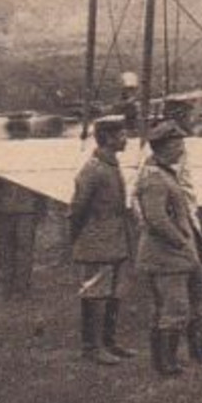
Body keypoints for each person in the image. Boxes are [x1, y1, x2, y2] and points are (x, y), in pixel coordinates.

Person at [136, 121, 202, 375]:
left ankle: (196, 352)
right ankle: (166, 363)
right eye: (178, 144)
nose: (182, 149)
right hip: (167, 255)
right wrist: (181, 240)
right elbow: (156, 219)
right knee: (174, 308)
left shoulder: (164, 172)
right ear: (165, 147)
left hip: (180, 253)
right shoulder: (154, 177)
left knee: (197, 297)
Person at [69, 115, 137, 366]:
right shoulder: (93, 169)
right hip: (97, 241)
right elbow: (77, 209)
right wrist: (80, 237)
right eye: (121, 135)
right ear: (107, 138)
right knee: (96, 293)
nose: (125, 139)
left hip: (114, 239)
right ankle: (92, 347)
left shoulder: (110, 164)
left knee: (113, 293)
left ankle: (108, 342)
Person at [0, 115, 46, 297]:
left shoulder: (6, 153)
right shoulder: (32, 154)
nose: (19, 135)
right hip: (19, 209)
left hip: (9, 208)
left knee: (10, 248)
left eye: (20, 132)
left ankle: (12, 286)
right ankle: (17, 287)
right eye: (18, 131)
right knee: (20, 249)